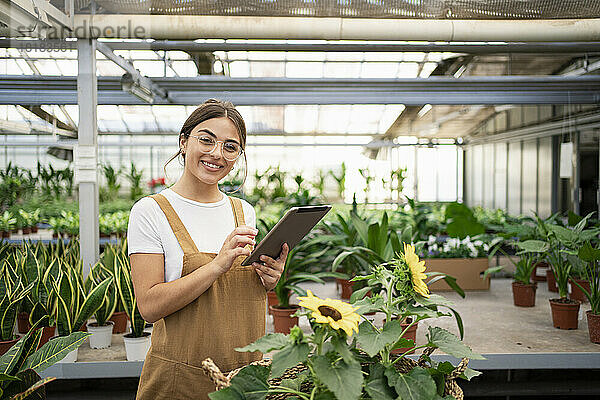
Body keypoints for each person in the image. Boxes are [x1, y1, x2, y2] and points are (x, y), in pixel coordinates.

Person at [127, 99, 288, 399]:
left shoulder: (244, 212)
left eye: (230, 146)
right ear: (184, 142)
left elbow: (234, 297)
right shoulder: (150, 212)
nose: (217, 154)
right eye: (207, 140)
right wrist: (216, 266)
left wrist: (269, 279)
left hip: (244, 381)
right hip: (180, 381)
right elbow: (148, 307)